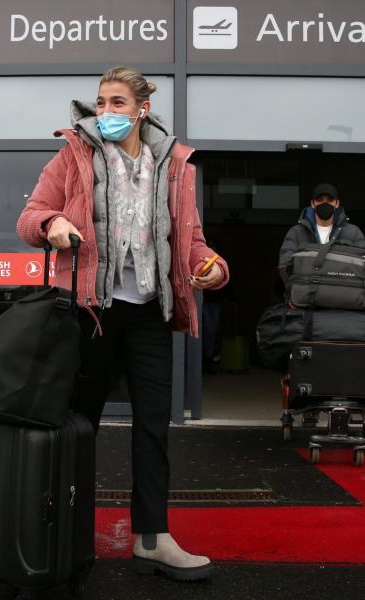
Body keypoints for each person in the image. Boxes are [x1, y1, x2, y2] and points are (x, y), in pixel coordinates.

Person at [16, 66, 229, 582]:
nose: (106, 112)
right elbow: (30, 217)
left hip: (149, 312)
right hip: (91, 309)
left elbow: (190, 236)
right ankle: (64, 532)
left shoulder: (174, 165)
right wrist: (54, 223)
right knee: (78, 425)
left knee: (154, 426)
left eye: (117, 102)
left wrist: (211, 266)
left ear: (142, 109)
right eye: (101, 101)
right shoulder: (74, 153)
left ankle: (152, 538)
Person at [277, 183, 365, 283]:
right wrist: (294, 293)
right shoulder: (296, 232)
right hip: (307, 295)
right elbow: (285, 266)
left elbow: (364, 265)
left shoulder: (353, 232)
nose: (325, 203)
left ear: (337, 203)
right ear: (312, 203)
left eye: (329, 200)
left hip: (342, 295)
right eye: (320, 200)